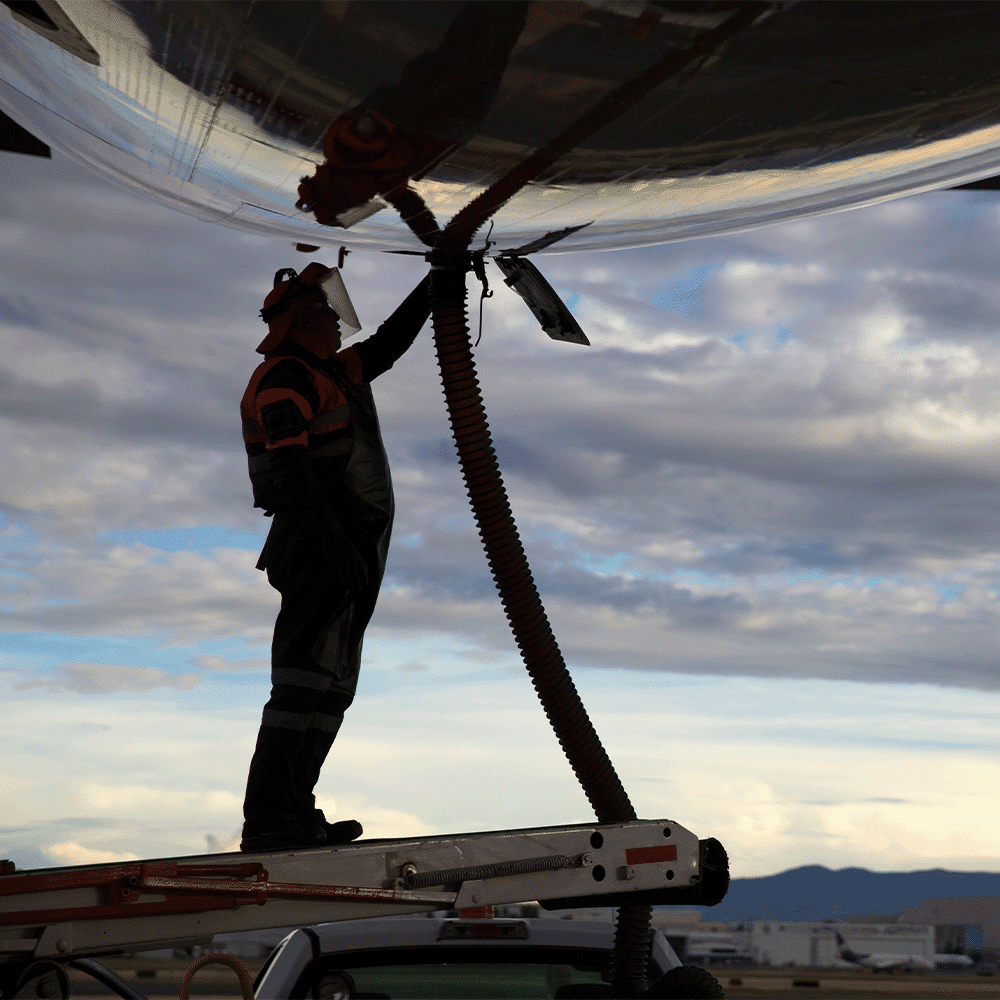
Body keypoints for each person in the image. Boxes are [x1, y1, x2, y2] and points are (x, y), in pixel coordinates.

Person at [239, 261, 430, 852]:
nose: (337, 321)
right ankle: (268, 820)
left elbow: (389, 346)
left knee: (330, 683)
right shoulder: (284, 377)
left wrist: (436, 284)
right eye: (325, 311)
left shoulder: (334, 373)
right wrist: (337, 545)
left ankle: (298, 810)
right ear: (298, 320)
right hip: (317, 545)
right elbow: (293, 473)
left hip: (350, 548)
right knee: (300, 681)